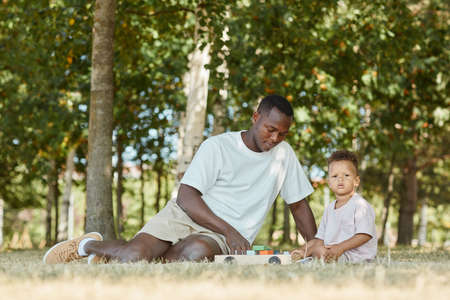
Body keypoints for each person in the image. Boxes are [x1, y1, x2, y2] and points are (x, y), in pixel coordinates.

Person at [43, 95, 317, 264]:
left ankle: (114, 258)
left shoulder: (284, 155)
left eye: (283, 134)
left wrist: (314, 242)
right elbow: (187, 198)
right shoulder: (218, 146)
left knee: (194, 253)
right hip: (186, 215)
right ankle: (86, 246)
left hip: (217, 236)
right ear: (255, 117)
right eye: (271, 130)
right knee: (134, 255)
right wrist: (230, 230)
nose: (275, 139)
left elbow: (299, 205)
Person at [291, 150, 377, 263]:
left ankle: (310, 256)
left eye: (346, 175)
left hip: (355, 256)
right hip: (334, 250)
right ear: (329, 183)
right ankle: (301, 253)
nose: (340, 179)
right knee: (314, 243)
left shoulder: (360, 205)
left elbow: (364, 234)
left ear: (356, 181)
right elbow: (320, 239)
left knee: (319, 250)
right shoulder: (329, 209)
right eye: (335, 176)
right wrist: (307, 248)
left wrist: (340, 247)